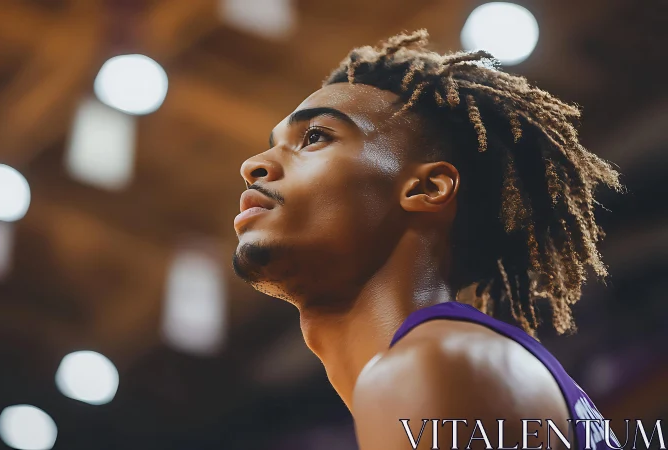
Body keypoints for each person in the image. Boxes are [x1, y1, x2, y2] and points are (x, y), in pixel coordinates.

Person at [231, 30, 623, 450]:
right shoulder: (458, 361)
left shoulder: (434, 366)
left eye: (315, 137)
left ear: (428, 189)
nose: (253, 165)